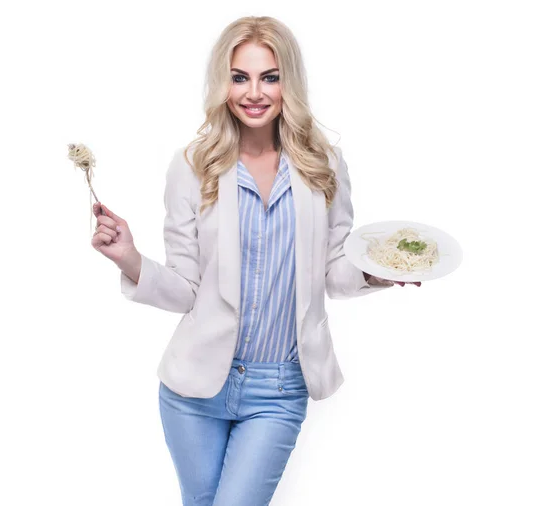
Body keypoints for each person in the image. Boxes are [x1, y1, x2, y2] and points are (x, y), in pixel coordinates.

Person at [91, 15, 421, 506]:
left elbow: (333, 273)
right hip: (194, 388)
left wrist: (376, 270)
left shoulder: (323, 164)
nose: (254, 92)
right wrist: (130, 259)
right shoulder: (192, 166)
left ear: (289, 81)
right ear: (223, 84)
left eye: (270, 76)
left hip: (279, 386)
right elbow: (185, 287)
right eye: (240, 77)